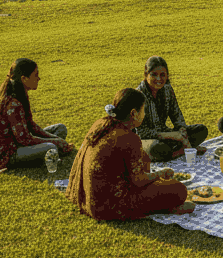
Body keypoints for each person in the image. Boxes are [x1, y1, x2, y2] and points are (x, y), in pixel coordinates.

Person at [66, 87, 194, 220]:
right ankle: (168, 207)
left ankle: (164, 203)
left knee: (144, 157)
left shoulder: (101, 123)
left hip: (88, 197)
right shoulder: (129, 138)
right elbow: (138, 181)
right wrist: (160, 174)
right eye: (143, 110)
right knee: (179, 190)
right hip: (108, 206)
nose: (144, 114)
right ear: (134, 113)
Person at [0, 58, 73, 174]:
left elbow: (30, 126)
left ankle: (50, 150)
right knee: (51, 148)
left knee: (60, 129)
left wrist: (56, 139)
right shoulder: (12, 104)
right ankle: (48, 153)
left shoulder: (20, 94)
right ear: (24, 79)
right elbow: (24, 139)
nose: (39, 78)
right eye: (35, 75)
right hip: (8, 154)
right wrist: (55, 142)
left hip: (17, 143)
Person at [136, 55, 209, 162]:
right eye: (154, 75)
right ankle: (179, 152)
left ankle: (176, 151)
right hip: (145, 140)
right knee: (157, 148)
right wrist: (172, 135)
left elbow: (177, 116)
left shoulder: (167, 89)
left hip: (166, 135)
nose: (158, 79)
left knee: (201, 130)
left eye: (162, 75)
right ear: (146, 74)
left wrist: (182, 132)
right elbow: (141, 132)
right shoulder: (138, 95)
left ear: (167, 76)